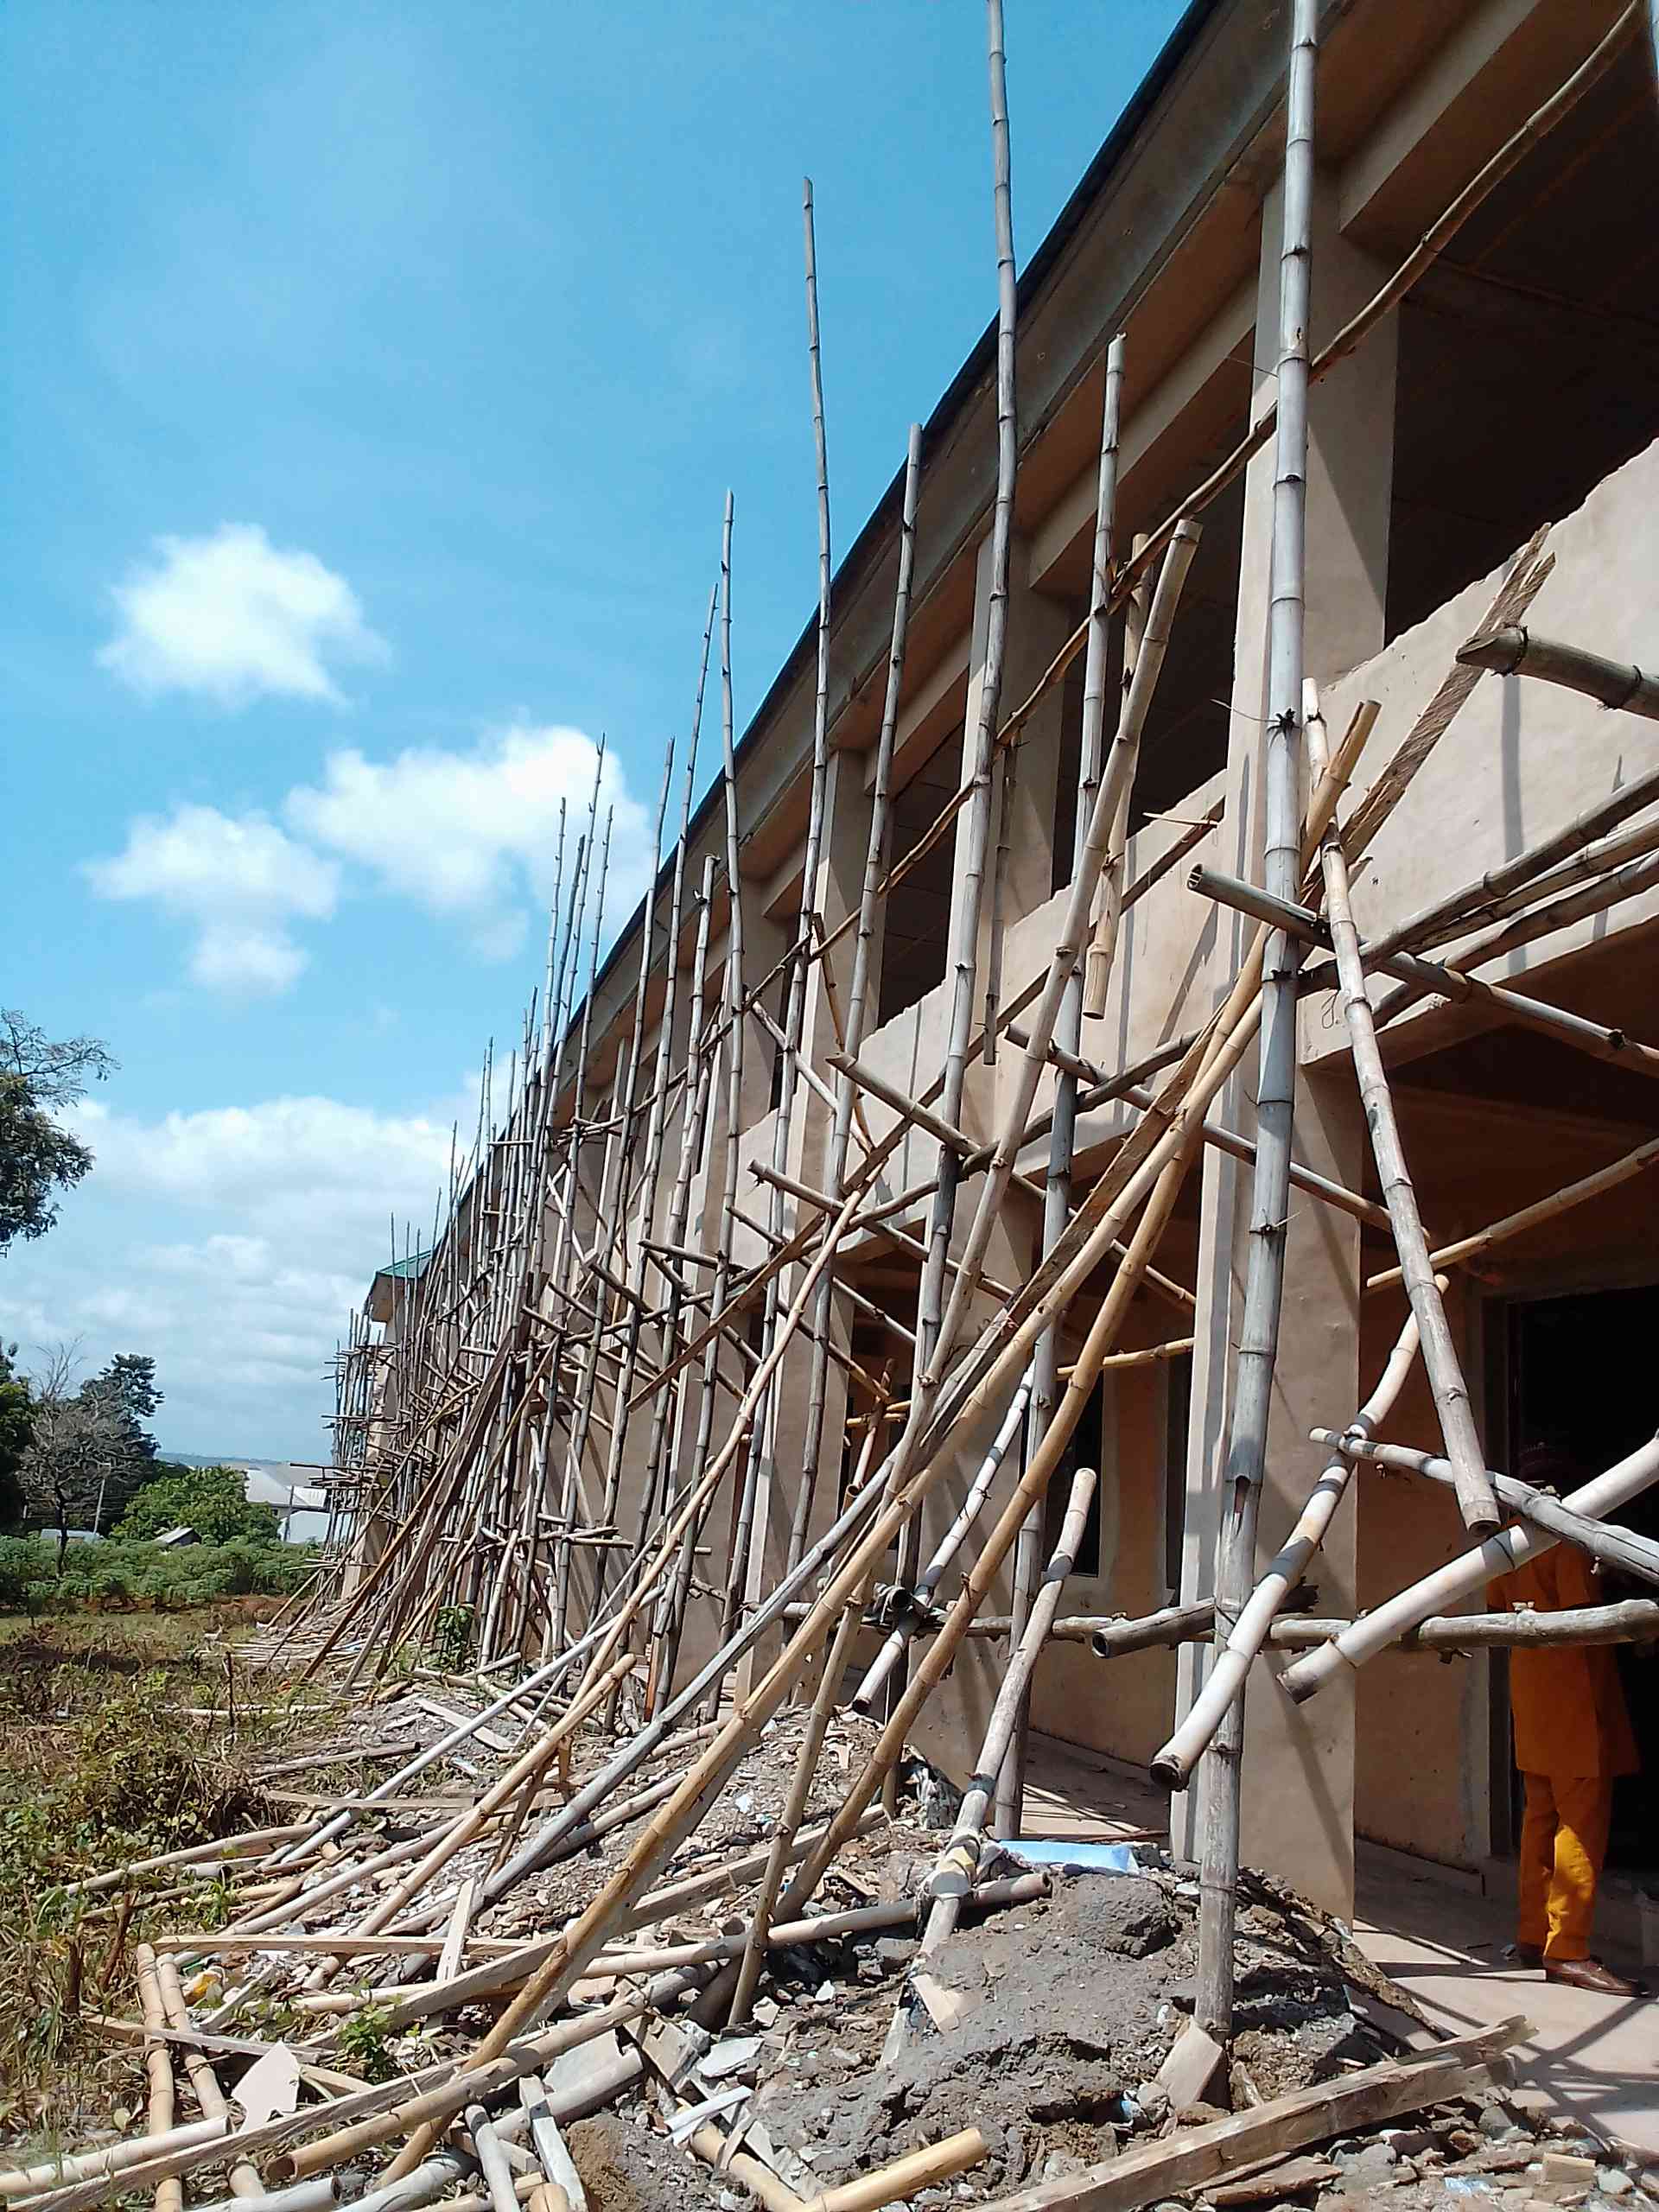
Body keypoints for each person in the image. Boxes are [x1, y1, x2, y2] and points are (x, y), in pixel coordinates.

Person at [1488, 1446, 1643, 1997]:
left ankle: (1535, 1935)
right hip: (1575, 1703)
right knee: (1579, 1828)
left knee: (1540, 1821)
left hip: (1532, 1702)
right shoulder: (1565, 1540)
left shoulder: (1503, 1542)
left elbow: (1497, 1605)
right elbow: (1584, 1615)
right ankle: (1569, 1948)